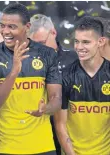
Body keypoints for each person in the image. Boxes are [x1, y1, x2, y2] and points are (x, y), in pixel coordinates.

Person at [0, 3, 62, 155]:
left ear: (27, 26)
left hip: (43, 146)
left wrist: (46, 109)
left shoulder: (48, 54)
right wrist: (14, 71)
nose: (5, 31)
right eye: (2, 26)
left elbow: (56, 99)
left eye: (12, 27)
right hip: (6, 147)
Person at [54, 16, 110, 155]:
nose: (79, 47)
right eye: (77, 41)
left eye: (85, 42)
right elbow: (60, 124)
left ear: (101, 42)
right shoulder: (65, 76)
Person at [28, 14, 78, 155]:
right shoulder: (27, 64)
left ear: (53, 32)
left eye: (42, 43)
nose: (38, 49)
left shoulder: (75, 59)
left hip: (76, 131)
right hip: (41, 135)